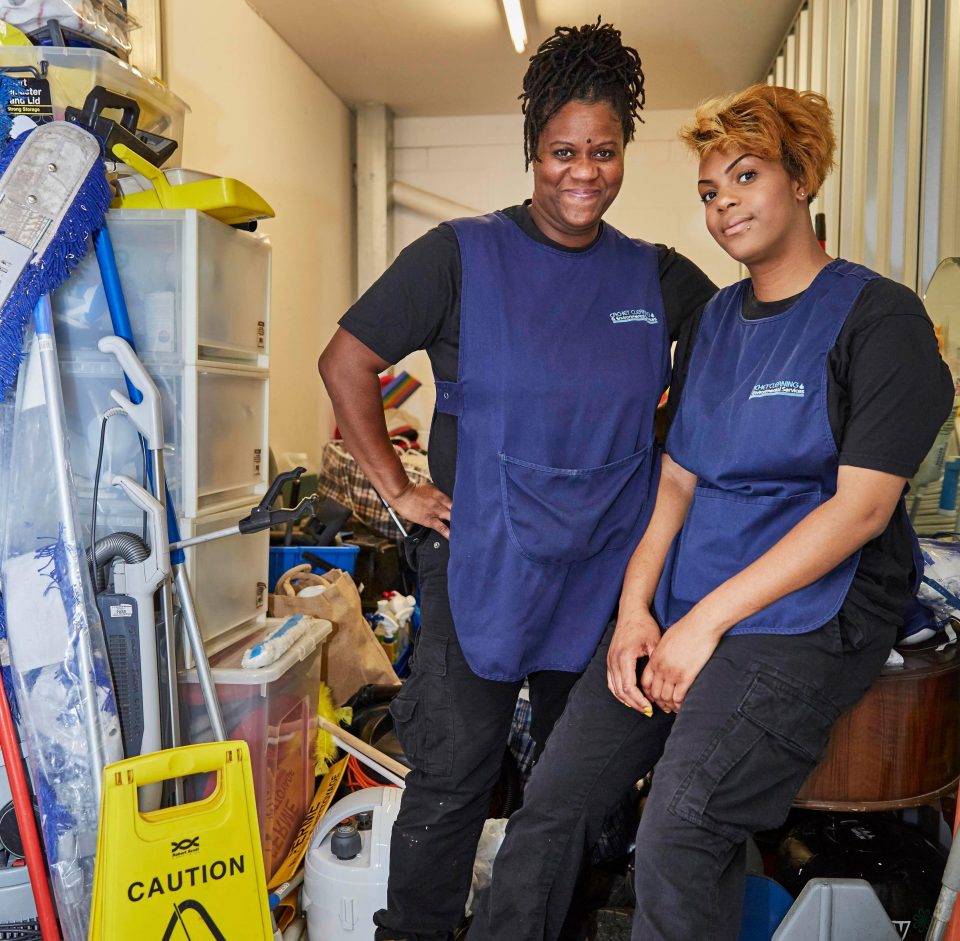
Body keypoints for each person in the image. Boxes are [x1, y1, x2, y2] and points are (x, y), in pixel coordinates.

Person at [468, 84, 955, 941]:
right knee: (552, 805)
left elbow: (860, 510)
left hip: (809, 610)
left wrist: (704, 628)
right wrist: (635, 614)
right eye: (707, 191)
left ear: (802, 177)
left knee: (682, 829)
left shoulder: (880, 320)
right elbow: (678, 483)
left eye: (745, 175)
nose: (723, 202)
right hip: (694, 594)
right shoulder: (716, 322)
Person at [317, 20, 716, 941]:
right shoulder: (458, 257)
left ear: (625, 153)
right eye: (563, 151)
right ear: (532, 148)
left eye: (605, 152)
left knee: (572, 791)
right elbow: (346, 361)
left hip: (605, 578)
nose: (585, 172)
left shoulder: (655, 276)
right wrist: (397, 490)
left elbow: (736, 343)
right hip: (482, 563)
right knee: (456, 778)